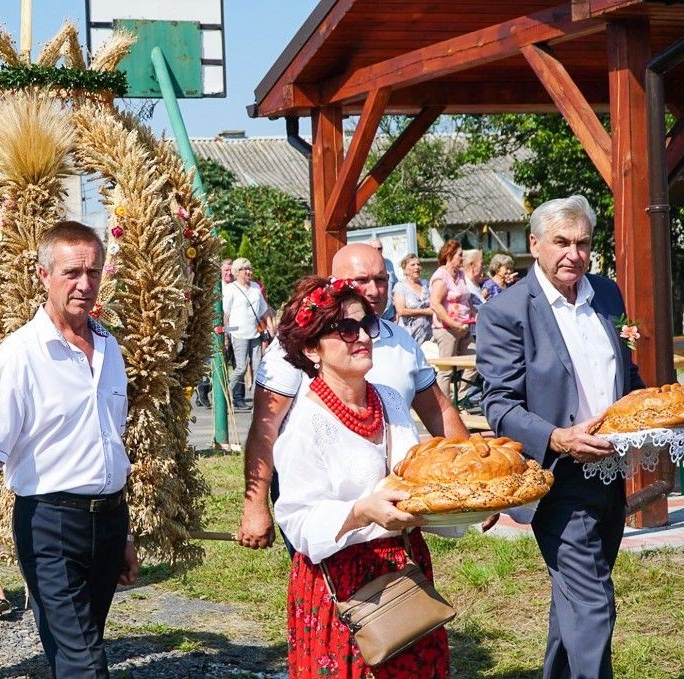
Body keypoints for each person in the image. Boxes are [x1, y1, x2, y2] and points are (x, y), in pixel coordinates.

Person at [0, 221, 138, 677]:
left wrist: (124, 534)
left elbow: (111, 445)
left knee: (74, 652)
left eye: (93, 272)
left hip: (108, 521)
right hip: (51, 526)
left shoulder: (110, 348)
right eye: (72, 272)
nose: (84, 284)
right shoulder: (20, 356)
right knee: (85, 662)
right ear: (43, 275)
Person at [477, 196, 644, 679]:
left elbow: (626, 373)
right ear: (534, 245)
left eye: (583, 243)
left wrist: (649, 409)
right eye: (561, 242)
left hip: (611, 472)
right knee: (592, 602)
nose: (574, 254)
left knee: (575, 598)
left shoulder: (606, 294)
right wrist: (557, 437)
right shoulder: (507, 311)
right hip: (557, 476)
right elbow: (499, 405)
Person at [237, 243, 468, 551]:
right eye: (361, 280)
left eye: (381, 279)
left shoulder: (399, 353)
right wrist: (255, 505)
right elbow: (265, 428)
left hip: (404, 550)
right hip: (335, 552)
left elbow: (439, 410)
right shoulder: (295, 355)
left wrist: (473, 477)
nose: (373, 290)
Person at [273, 275, 448, 678]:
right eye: (346, 329)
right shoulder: (305, 424)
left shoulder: (389, 398)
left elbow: (414, 475)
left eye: (367, 325)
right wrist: (361, 511)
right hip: (343, 587)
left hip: (406, 570)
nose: (364, 338)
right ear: (312, 348)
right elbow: (298, 522)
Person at [428, 239, 477, 398]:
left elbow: (466, 300)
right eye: (460, 255)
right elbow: (435, 304)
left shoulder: (460, 275)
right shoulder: (440, 277)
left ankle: (460, 399)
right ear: (449, 255)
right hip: (446, 329)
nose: (463, 258)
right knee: (446, 370)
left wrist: (475, 315)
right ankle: (445, 406)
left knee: (476, 361)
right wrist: (453, 323)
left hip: (464, 327)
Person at [223, 258, 274, 410]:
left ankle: (258, 402)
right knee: (241, 367)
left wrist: (271, 327)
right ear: (237, 272)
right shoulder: (231, 289)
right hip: (238, 333)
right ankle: (224, 394)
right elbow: (226, 314)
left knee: (259, 368)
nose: (249, 272)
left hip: (255, 333)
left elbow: (264, 309)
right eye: (245, 269)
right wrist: (226, 336)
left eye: (250, 269)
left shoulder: (255, 287)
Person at [392, 252, 434, 345]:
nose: (417, 267)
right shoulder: (400, 286)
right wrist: (426, 312)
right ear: (405, 269)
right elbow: (401, 311)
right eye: (413, 265)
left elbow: (434, 305)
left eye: (418, 264)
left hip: (428, 334)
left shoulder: (425, 284)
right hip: (409, 334)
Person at [368, 237, 398, 322]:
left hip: (389, 314)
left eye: (379, 248)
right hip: (373, 314)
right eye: (374, 248)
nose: (377, 251)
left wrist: (397, 310)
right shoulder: (364, 265)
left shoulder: (388, 263)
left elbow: (395, 287)